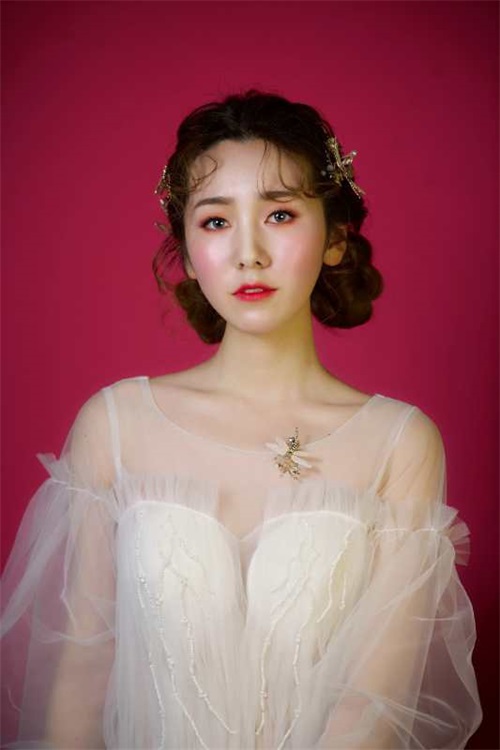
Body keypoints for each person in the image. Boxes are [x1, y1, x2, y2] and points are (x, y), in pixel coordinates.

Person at [1, 91, 482, 749]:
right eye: (216, 221)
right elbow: (79, 681)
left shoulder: (399, 443)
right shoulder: (115, 424)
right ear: (186, 247)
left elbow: (372, 711)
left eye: (280, 213)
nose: (248, 252)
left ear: (335, 238)